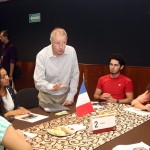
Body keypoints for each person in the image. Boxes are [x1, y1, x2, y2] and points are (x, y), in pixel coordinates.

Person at [34, 28, 79, 106]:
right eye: (57, 43)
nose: (61, 47)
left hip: (65, 96)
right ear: (51, 41)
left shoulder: (71, 51)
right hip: (46, 97)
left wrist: (71, 96)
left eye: (64, 42)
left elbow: (75, 75)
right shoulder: (42, 55)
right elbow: (38, 80)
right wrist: (52, 87)